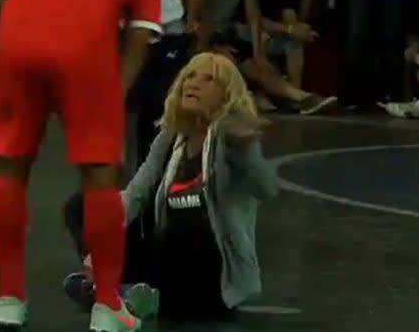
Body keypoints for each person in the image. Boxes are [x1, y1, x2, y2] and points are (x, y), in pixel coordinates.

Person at [0, 0, 161, 331]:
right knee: (101, 175)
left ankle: (8, 300)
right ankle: (106, 306)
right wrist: (111, 99)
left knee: (10, 168)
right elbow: (140, 40)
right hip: (83, 51)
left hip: (13, 44)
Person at [61, 52, 278, 322]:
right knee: (84, 206)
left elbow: (267, 189)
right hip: (164, 249)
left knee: (184, 231)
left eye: (207, 79)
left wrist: (244, 148)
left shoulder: (232, 139)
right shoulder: (171, 135)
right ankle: (118, 290)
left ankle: (119, 295)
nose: (193, 84)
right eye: (189, 76)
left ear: (225, 96)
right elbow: (135, 194)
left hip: (209, 263)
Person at [73, 0, 217, 167]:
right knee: (107, 111)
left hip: (164, 18)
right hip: (109, 22)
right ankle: (104, 182)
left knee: (159, 110)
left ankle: (152, 180)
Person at [196, 0, 337, 114]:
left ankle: (302, 98)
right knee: (231, 60)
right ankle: (265, 96)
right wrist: (213, 47)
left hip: (229, 35)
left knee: (258, 65)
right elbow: (197, 21)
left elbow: (253, 15)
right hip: (207, 38)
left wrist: (258, 54)